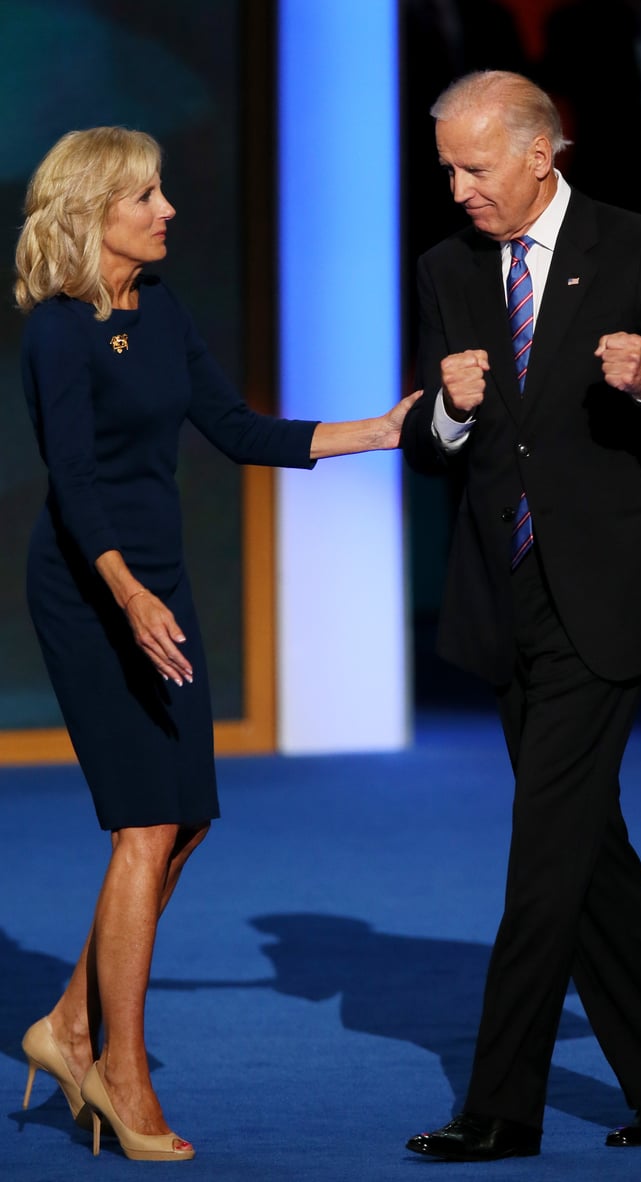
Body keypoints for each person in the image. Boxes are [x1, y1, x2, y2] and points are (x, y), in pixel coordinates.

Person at [15, 126, 418, 1163]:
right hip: (93, 588)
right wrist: (126, 593)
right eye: (145, 196)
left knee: (187, 818)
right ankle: (120, 1071)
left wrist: (372, 431)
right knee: (144, 826)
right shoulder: (59, 333)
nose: (168, 211)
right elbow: (75, 480)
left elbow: (238, 430)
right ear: (93, 211)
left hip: (162, 586)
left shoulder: (164, 315)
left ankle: (65, 1025)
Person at [400, 71, 641, 1161]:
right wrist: (450, 416)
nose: (458, 188)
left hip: (608, 600)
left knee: (545, 852)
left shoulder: (640, 249)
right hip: (505, 598)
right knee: (590, 850)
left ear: (539, 155)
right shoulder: (448, 269)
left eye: (474, 166)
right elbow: (441, 446)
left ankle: (498, 1108)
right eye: (447, 168)